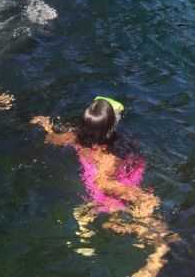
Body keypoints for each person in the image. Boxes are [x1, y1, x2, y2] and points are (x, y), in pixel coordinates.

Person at [32, 97, 173, 277]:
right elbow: (104, 182)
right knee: (158, 231)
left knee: (115, 220)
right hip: (114, 193)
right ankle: (156, 259)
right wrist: (139, 195)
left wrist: (46, 126)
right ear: (110, 129)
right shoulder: (110, 154)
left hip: (93, 192)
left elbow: (53, 139)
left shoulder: (74, 136)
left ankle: (90, 222)